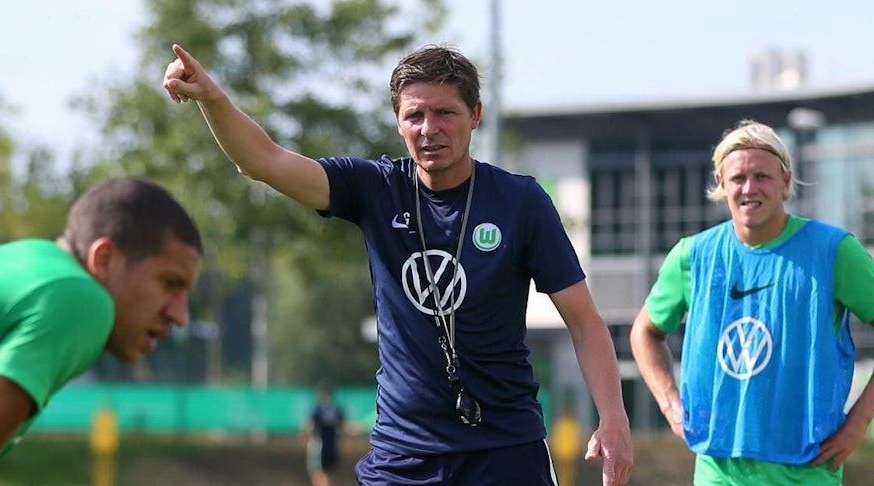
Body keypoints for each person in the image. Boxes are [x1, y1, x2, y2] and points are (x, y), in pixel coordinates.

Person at [163, 43, 633, 485]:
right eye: (415, 115)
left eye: (445, 112)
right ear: (398, 122)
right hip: (404, 456)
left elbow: (584, 321)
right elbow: (262, 161)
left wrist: (613, 419)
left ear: (475, 116)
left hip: (506, 449)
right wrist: (212, 97)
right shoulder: (375, 188)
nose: (430, 129)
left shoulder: (521, 202)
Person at [629, 120, 874, 485]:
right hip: (719, 470)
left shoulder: (833, 252)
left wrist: (860, 420)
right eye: (738, 178)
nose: (749, 188)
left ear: (786, 182)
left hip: (807, 469)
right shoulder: (693, 256)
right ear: (721, 184)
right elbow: (645, 331)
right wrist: (669, 403)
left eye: (762, 176)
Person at [0, 177, 203, 473]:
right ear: (105, 259)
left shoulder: (24, 261)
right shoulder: (80, 298)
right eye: (169, 283)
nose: (180, 315)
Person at [305, 384, 346, 486]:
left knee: (317, 471)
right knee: (330, 471)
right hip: (332, 443)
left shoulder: (318, 407)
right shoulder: (336, 408)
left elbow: (311, 425)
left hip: (319, 443)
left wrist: (308, 438)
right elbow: (341, 426)